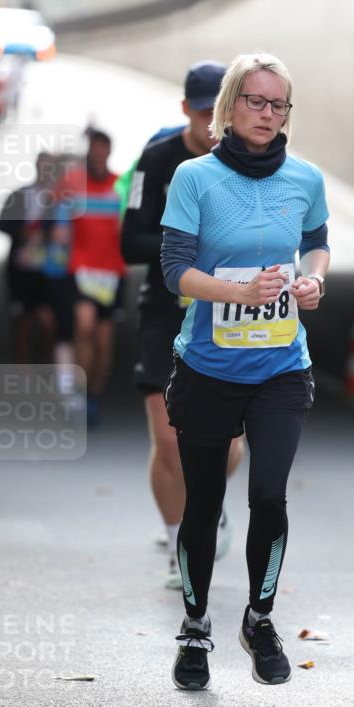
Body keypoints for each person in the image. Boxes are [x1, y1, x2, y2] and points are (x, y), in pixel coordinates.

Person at [160, 51, 330, 689]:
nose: (267, 113)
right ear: (230, 106)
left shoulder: (306, 178)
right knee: (203, 504)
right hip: (208, 367)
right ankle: (195, 628)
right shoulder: (194, 178)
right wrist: (238, 293)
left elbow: (317, 244)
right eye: (255, 101)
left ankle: (259, 620)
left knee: (268, 496)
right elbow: (175, 271)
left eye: (278, 104)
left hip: (281, 368)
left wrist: (312, 280)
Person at [122, 62, 244, 589]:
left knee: (227, 445)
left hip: (227, 314)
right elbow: (130, 242)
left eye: (219, 113)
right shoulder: (157, 159)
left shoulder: (249, 160)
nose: (211, 125)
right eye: (201, 113)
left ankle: (207, 504)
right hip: (165, 312)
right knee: (170, 442)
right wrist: (189, 248)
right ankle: (181, 545)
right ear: (185, 110)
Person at [51, 130, 126, 425]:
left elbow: (133, 221)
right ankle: (80, 392)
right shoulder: (73, 182)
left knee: (104, 341)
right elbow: (55, 206)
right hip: (81, 267)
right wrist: (59, 226)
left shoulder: (120, 185)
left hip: (112, 272)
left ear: (109, 153)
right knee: (84, 326)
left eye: (103, 152)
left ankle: (94, 395)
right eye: (94, 151)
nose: (98, 157)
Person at [0, 152, 56, 363]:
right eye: (42, 166)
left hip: (47, 271)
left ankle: (45, 365)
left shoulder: (59, 199)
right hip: (21, 271)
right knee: (22, 323)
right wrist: (22, 232)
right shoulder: (19, 195)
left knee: (49, 323)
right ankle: (23, 371)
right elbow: (2, 224)